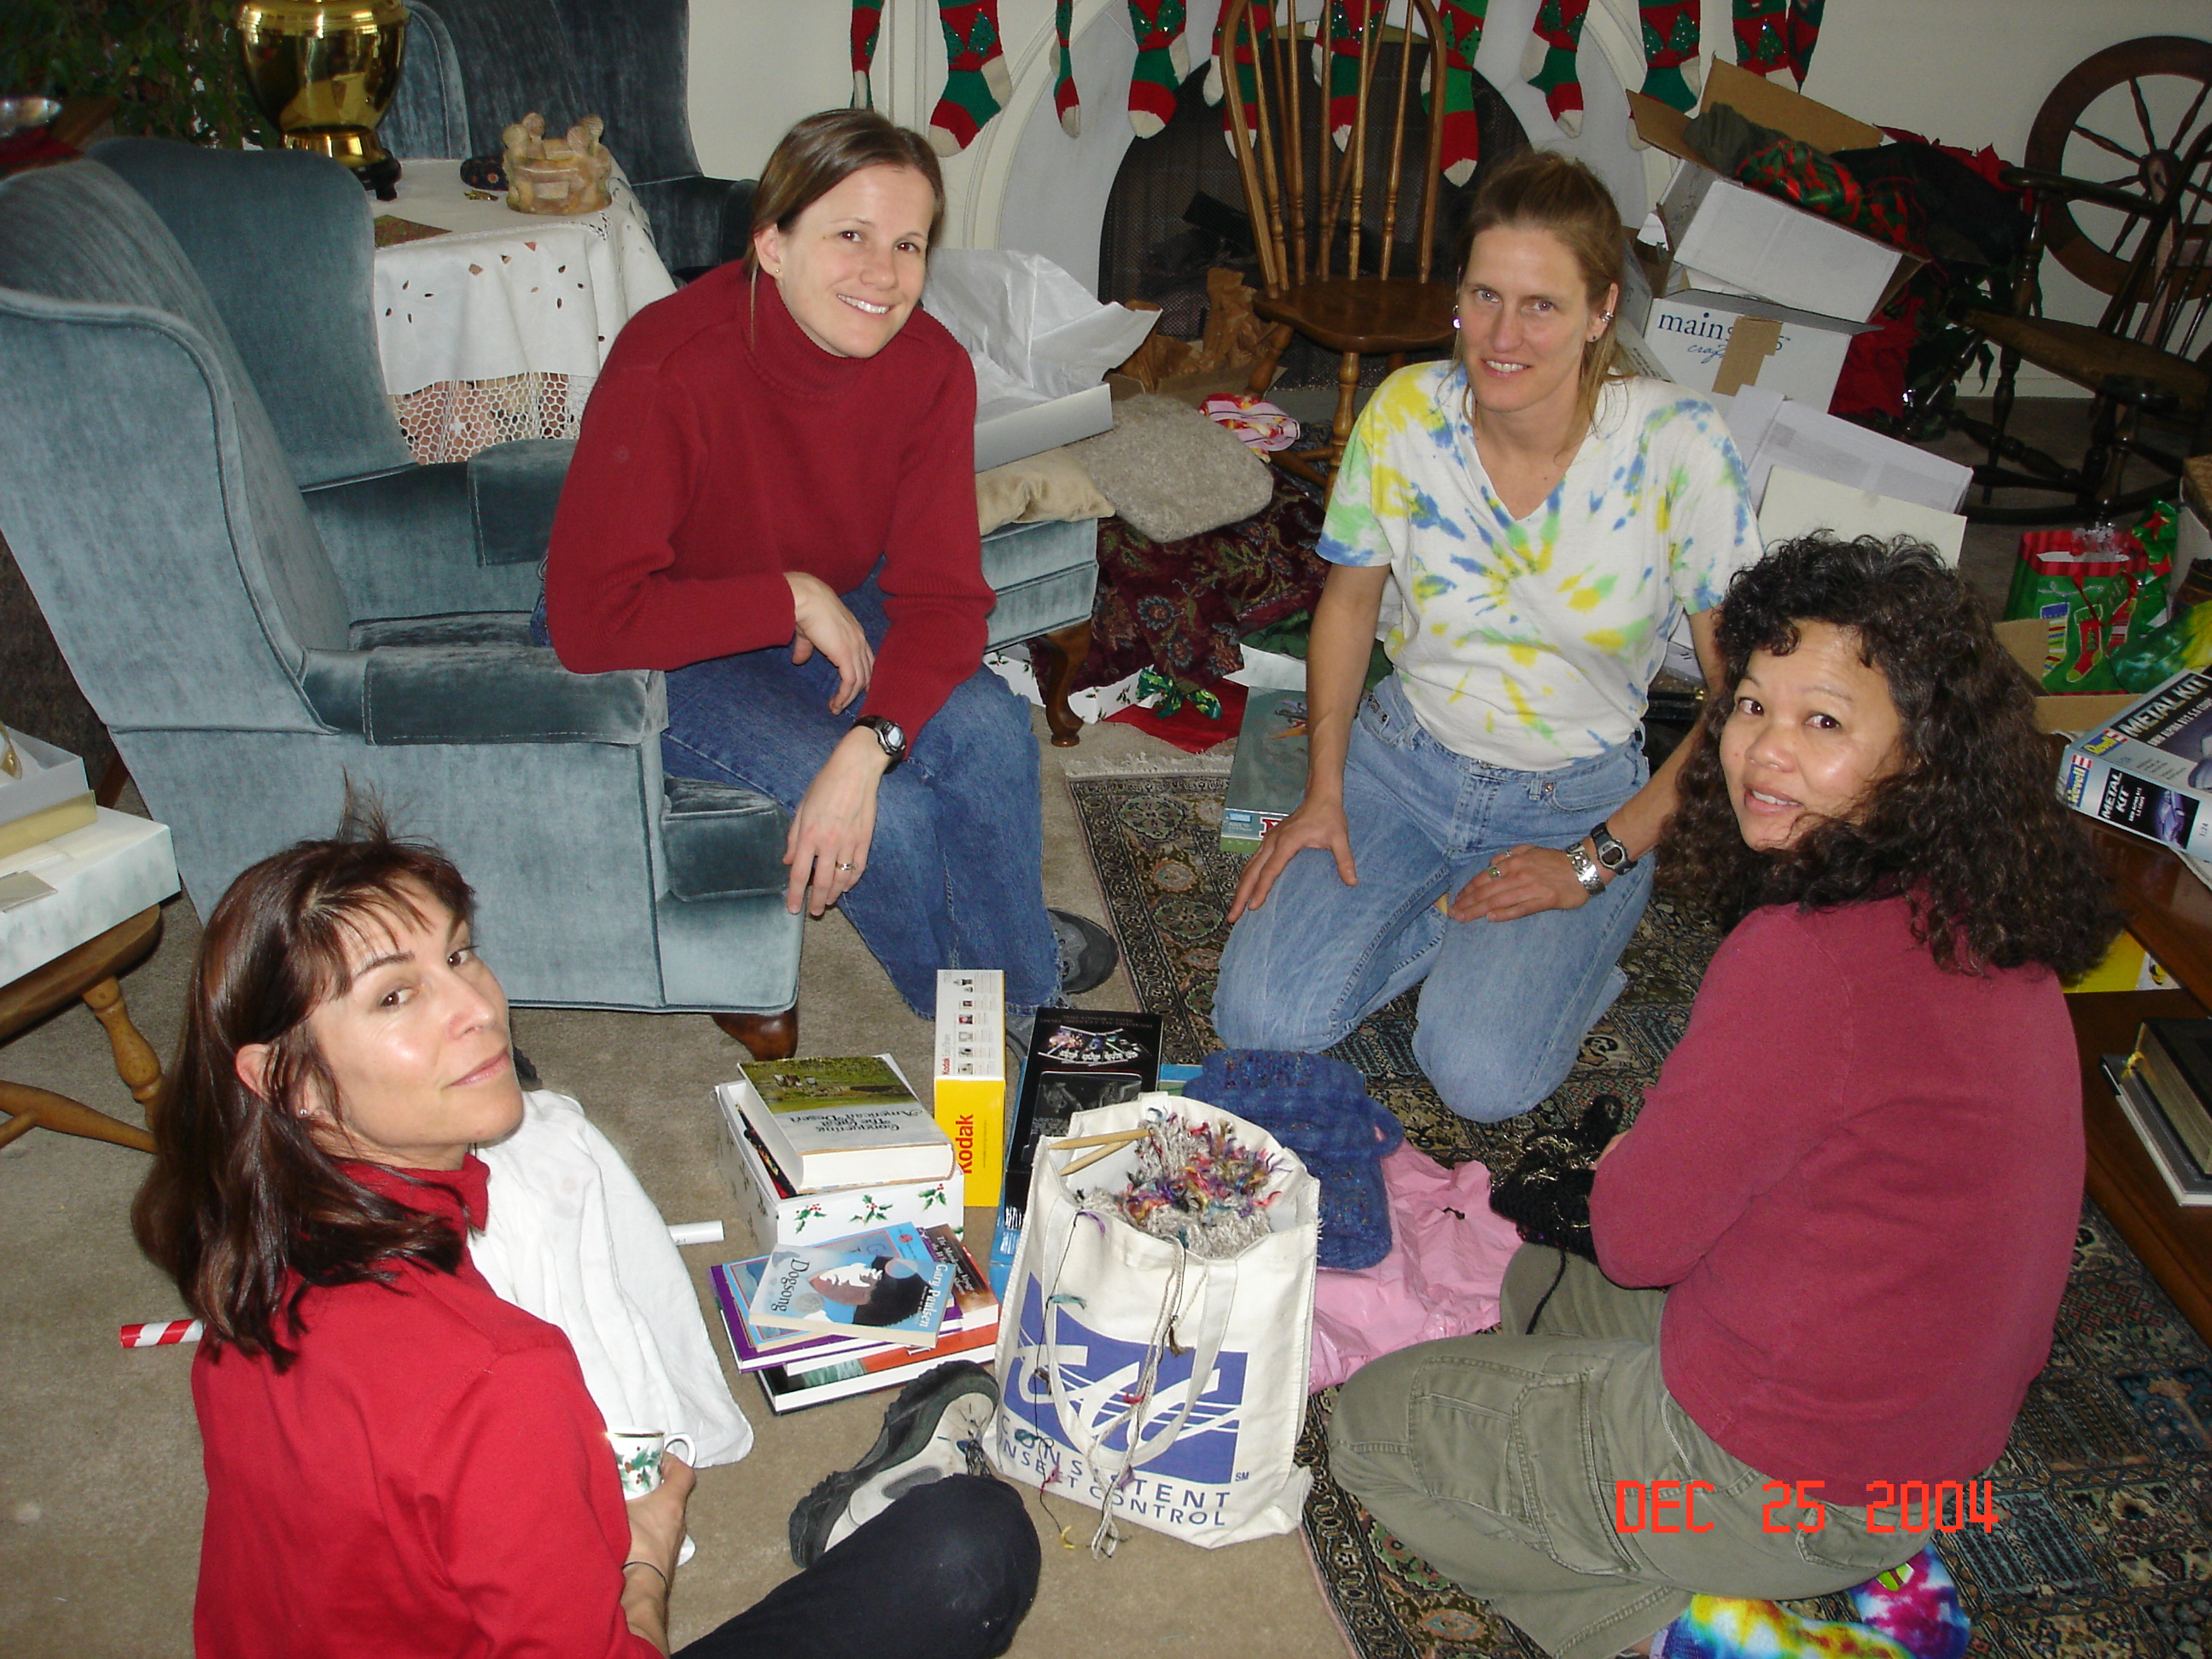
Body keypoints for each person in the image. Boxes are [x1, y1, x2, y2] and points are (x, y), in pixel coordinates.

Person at [1327, 535, 2120, 1659]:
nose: (1763, 751)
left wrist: (1620, 1178)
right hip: (1931, 1456)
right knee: (1536, 1285)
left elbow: (1641, 1238)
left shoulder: (1800, 961)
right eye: (1751, 704)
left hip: (1784, 1483)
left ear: (1920, 754)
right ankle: (1781, 1563)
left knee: (1380, 1427)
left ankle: (1703, 1632)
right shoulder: (1986, 912)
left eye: (1825, 721)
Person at [132, 816, 1039, 1658]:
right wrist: (646, 1553)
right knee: (971, 1546)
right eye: (396, 995)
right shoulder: (501, 1376)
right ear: (284, 1078)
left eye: (461, 954)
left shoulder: (245, 1263)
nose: (477, 1006)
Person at [1211, 148, 1761, 1123]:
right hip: (1400, 764)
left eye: (1541, 306)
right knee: (1261, 1020)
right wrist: (1323, 792)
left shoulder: (1680, 450)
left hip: (1573, 800)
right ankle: (1442, 919)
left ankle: (1569, 937)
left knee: (1481, 1083)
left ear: (1601, 313)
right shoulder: (1407, 412)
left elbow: (1743, 705)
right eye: (1483, 297)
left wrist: (1594, 861)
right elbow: (1347, 603)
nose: (1502, 337)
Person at [540, 108, 1115, 1031]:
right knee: (899, 823)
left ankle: (1035, 1012)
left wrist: (870, 745)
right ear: (771, 243)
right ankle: (958, 1006)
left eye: (908, 244)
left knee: (994, 735)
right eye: (849, 235)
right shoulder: (668, 364)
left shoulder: (929, 368)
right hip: (655, 633)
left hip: (822, 603)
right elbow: (588, 621)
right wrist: (788, 599)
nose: (883, 276)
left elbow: (941, 602)